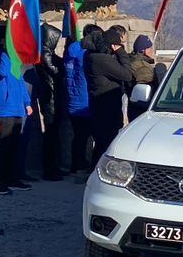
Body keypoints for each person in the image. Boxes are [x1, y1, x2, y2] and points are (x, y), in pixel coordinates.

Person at [0, 25, 33, 195]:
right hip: (3, 109)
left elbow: (19, 80)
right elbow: (2, 72)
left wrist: (26, 102)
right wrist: (5, 52)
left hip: (17, 107)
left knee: (14, 146)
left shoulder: (12, 58)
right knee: (3, 148)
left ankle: (12, 178)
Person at [85, 28, 136, 159]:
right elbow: (127, 74)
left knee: (102, 143)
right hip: (107, 107)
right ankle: (96, 173)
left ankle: (93, 171)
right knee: (106, 144)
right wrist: (121, 52)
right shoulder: (102, 60)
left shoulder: (90, 56)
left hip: (100, 105)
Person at [66, 24, 102, 178]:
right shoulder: (86, 55)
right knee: (86, 137)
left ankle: (76, 165)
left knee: (79, 136)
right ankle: (82, 166)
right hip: (85, 100)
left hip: (72, 98)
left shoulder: (71, 50)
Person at [34, 23, 67, 180]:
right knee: (51, 134)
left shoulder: (47, 53)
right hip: (50, 99)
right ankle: (50, 169)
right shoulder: (45, 54)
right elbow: (55, 71)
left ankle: (54, 167)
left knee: (54, 134)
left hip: (53, 98)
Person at [127, 34, 165, 120]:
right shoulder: (142, 67)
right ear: (144, 50)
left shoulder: (133, 61)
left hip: (134, 108)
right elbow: (145, 90)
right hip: (141, 110)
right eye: (150, 48)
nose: (152, 50)